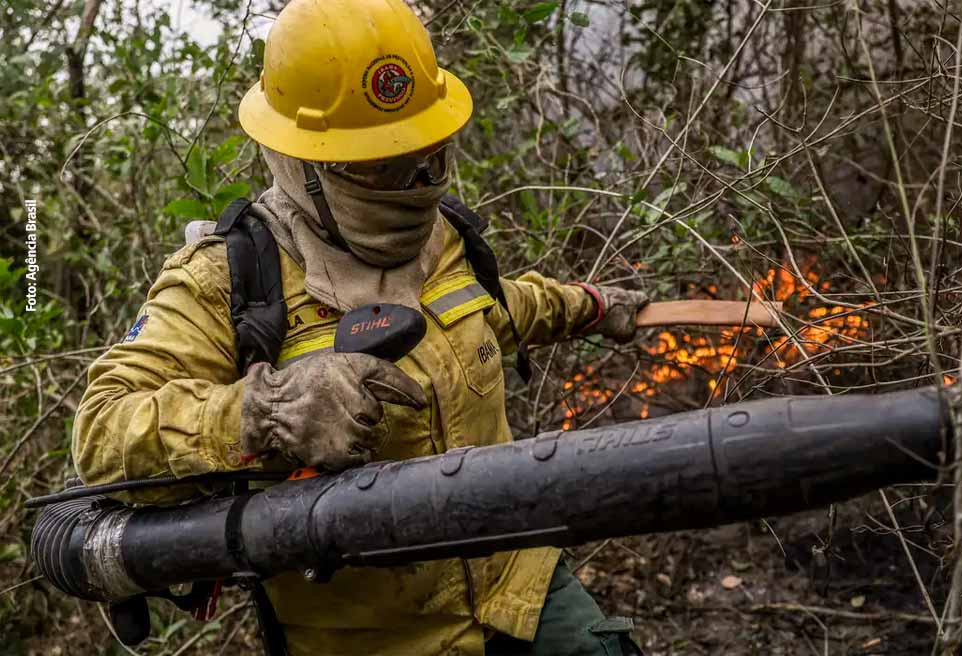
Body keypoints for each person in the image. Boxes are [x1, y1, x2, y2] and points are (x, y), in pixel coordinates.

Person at [72, 0, 648, 654]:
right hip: (372, 638)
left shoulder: (445, 238)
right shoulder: (226, 279)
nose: (415, 182)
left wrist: (595, 306)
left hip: (518, 584)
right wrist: (263, 414)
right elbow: (102, 431)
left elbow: (498, 309)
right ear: (305, 162)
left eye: (426, 155)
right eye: (380, 165)